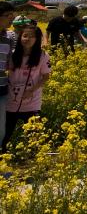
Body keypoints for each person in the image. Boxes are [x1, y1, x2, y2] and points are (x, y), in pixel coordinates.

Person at [2, 22, 50, 152]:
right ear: (20, 37)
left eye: (32, 36)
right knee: (5, 132)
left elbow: (46, 76)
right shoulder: (11, 54)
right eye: (25, 36)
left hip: (31, 101)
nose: (27, 39)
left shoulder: (43, 56)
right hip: (11, 99)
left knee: (35, 134)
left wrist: (32, 90)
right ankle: (4, 158)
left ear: (37, 39)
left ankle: (38, 158)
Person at [0, 2, 15, 148]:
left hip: (2, 88)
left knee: (0, 130)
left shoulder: (8, 38)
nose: (12, 18)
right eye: (8, 16)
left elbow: (8, 63)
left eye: (12, 15)